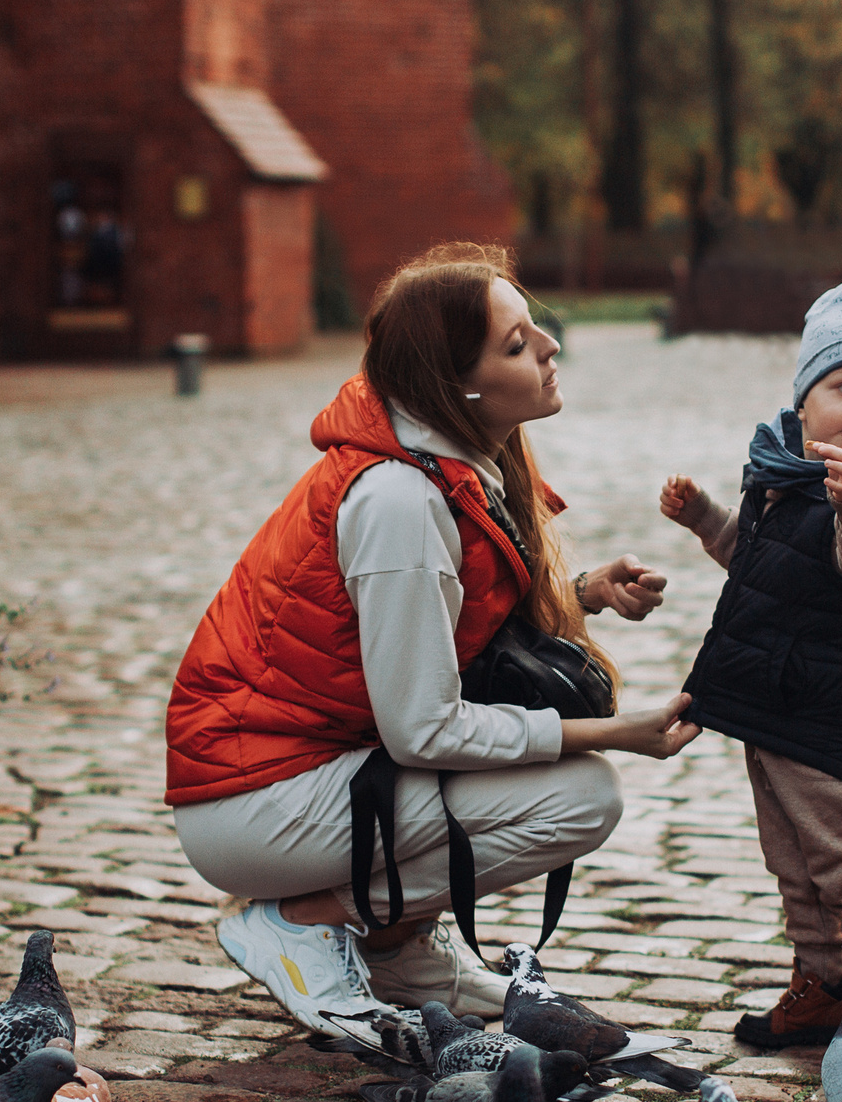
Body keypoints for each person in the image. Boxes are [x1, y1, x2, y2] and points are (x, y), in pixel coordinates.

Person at [167, 243, 700, 1041]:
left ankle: (396, 950)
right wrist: (614, 734)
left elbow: (437, 620)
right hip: (251, 795)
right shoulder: (400, 501)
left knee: (563, 785)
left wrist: (579, 592)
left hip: (316, 762)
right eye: (517, 343)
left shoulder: (443, 460)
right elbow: (422, 728)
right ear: (461, 385)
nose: (550, 347)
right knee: (582, 794)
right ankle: (304, 920)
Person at [659, 277, 842, 1050]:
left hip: (831, 716)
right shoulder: (784, 473)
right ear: (804, 400)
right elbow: (759, 562)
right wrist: (704, 518)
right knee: (793, 861)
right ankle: (825, 983)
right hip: (775, 706)